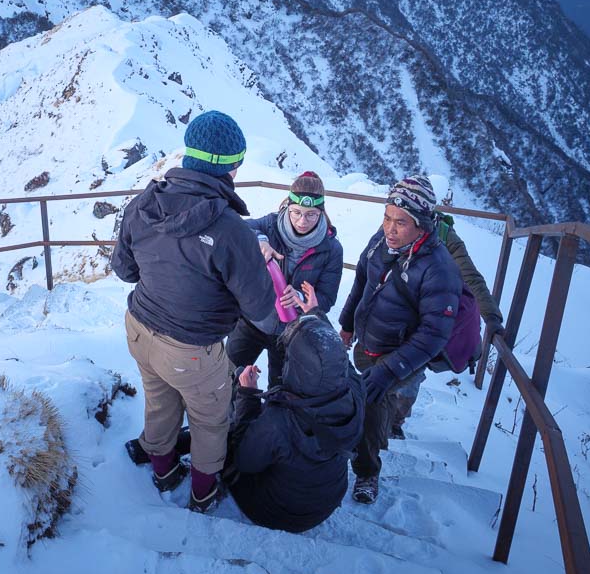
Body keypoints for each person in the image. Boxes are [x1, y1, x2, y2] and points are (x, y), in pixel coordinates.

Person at [112, 110, 281, 514]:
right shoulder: (231, 231)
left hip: (139, 328)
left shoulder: (143, 203)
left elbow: (124, 270)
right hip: (191, 348)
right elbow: (262, 313)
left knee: (159, 403)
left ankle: (164, 471)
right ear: (232, 167)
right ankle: (203, 493)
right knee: (210, 422)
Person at [337, 175, 462, 504]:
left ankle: (367, 472)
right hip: (368, 343)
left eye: (401, 222)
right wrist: (347, 323)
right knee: (371, 401)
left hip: (401, 357)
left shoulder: (439, 269)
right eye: (387, 218)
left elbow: (435, 333)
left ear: (422, 225)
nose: (391, 228)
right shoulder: (382, 241)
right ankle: (373, 435)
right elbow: (362, 277)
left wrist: (391, 370)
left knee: (373, 402)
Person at [225, 296, 364, 533]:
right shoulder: (353, 392)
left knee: (226, 446)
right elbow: (337, 359)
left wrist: (247, 395)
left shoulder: (281, 420)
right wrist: (316, 314)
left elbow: (243, 461)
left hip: (276, 512)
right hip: (326, 502)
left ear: (297, 368)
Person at [390, 211, 505, 439]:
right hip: (391, 311)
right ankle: (377, 419)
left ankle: (393, 422)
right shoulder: (394, 223)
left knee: (410, 372)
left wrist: (491, 316)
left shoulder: (445, 236)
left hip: (424, 318)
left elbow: (470, 277)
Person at [227, 171, 345, 390]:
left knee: (282, 388)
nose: (302, 221)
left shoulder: (331, 249)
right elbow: (238, 227)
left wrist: (301, 298)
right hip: (253, 319)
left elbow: (326, 299)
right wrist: (260, 240)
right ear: (287, 207)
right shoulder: (271, 225)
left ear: (321, 212)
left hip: (292, 330)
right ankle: (231, 417)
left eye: (311, 215)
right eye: (296, 212)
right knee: (229, 374)